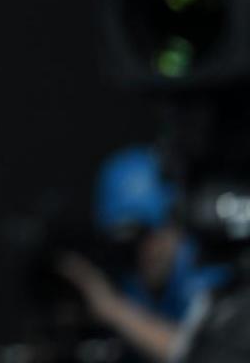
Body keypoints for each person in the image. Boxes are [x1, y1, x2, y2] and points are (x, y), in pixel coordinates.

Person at [56, 144, 230, 363]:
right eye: (125, 241)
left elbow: (206, 354)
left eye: (145, 234)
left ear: (173, 223)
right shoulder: (122, 276)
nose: (142, 251)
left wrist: (111, 308)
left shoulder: (210, 270)